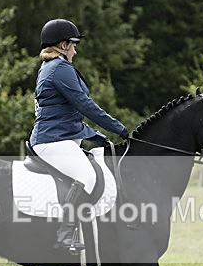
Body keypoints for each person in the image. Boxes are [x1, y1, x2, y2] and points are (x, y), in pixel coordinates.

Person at [29, 18, 129, 253]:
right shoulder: (60, 69)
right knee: (86, 175)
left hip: (60, 137)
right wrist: (119, 128)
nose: (75, 50)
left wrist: (97, 137)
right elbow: (85, 105)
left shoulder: (52, 68)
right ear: (63, 45)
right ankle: (65, 234)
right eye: (73, 45)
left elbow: (67, 117)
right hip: (52, 141)